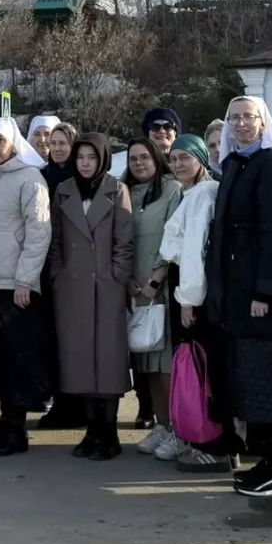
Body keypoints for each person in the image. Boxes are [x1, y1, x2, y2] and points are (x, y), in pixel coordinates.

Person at [208, 95, 272, 498]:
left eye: (249, 117)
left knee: (266, 377)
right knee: (247, 377)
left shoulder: (271, 167)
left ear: (263, 123)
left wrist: (265, 290)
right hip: (235, 290)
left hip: (258, 295)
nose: (241, 124)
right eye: (235, 118)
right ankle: (265, 462)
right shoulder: (233, 165)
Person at [0, 116, 52, 456]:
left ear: (13, 143)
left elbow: (39, 231)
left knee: (17, 359)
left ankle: (16, 429)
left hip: (14, 285)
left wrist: (25, 280)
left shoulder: (29, 178)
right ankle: (4, 427)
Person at [50, 133, 135, 461]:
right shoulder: (64, 190)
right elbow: (55, 239)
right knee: (80, 360)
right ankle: (91, 430)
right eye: (81, 158)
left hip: (106, 287)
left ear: (102, 160)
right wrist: (58, 274)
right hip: (72, 288)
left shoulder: (117, 189)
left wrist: (116, 276)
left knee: (108, 360)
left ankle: (109, 431)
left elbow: (124, 240)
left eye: (92, 158)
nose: (86, 164)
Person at [158, 134, 220, 468]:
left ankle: (206, 439)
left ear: (200, 159)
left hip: (194, 293)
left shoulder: (203, 195)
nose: (179, 164)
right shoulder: (191, 194)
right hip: (186, 288)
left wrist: (188, 299)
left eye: (186, 157)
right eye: (174, 159)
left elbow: (195, 252)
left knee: (199, 367)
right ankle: (195, 433)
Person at [123, 138, 182, 452]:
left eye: (144, 157)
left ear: (157, 159)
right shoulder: (127, 193)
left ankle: (178, 429)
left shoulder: (172, 190)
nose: (139, 163)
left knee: (166, 367)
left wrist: (156, 280)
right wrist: (129, 281)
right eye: (133, 159)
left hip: (162, 289)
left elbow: (174, 239)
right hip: (136, 291)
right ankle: (161, 425)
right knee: (146, 366)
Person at [36, 119, 82, 431]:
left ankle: (76, 403)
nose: (57, 149)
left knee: (74, 339)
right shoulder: (40, 177)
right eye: (53, 144)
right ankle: (58, 400)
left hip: (76, 267)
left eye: (63, 143)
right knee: (51, 339)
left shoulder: (81, 177)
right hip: (45, 265)